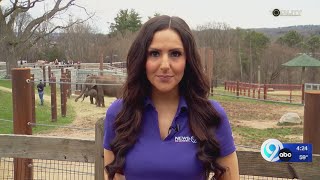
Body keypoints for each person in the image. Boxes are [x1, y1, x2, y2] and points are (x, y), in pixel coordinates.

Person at [103, 15, 239, 180]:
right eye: (154, 53)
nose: (165, 65)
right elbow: (113, 176)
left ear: (187, 60)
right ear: (142, 59)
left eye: (175, 54)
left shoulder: (210, 115)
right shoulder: (119, 114)